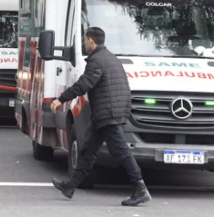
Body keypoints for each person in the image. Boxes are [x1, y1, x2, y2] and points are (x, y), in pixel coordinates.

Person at [50, 27, 151, 207]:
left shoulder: (97, 60)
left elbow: (84, 84)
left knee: (122, 152)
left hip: (108, 113)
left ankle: (140, 189)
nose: (84, 42)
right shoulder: (111, 58)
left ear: (91, 41)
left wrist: (61, 99)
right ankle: (70, 186)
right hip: (109, 111)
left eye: (85, 39)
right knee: (88, 149)